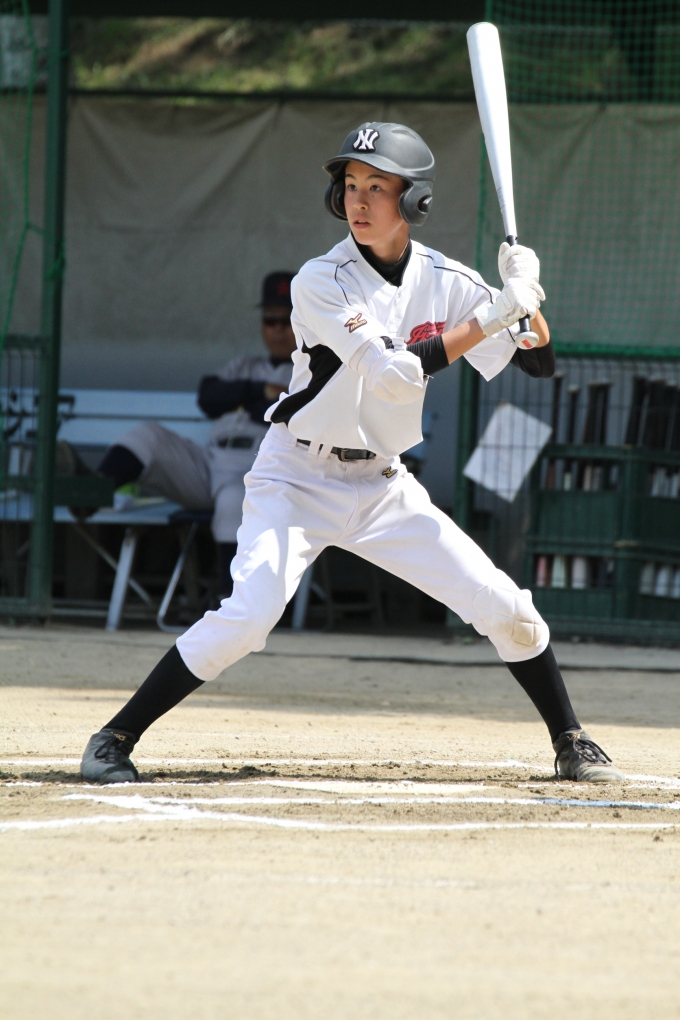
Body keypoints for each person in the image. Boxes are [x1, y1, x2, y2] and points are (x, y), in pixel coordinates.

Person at [81, 121, 623, 785]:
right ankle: (114, 738)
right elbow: (393, 373)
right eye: (351, 185)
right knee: (250, 615)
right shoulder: (320, 279)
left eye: (377, 187)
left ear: (416, 200)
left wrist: (527, 298)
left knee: (503, 604)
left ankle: (571, 739)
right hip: (296, 476)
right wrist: (493, 316)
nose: (358, 201)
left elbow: (540, 364)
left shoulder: (448, 281)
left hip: (384, 486)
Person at [95, 271, 296, 596]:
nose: (277, 329)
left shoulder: (313, 368)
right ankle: (91, 493)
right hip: (210, 463)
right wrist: (260, 391)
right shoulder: (245, 366)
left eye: (286, 321)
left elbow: (287, 413)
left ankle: (233, 605)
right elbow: (208, 396)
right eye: (270, 320)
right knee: (147, 436)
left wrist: (240, 399)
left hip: (257, 468)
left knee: (235, 499)